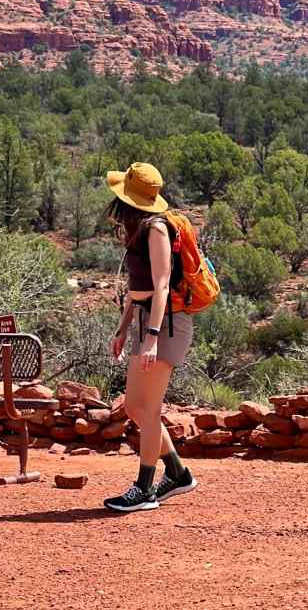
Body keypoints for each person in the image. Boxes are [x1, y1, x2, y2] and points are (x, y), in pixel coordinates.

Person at [102, 162, 197, 513]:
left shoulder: (156, 228)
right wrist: (124, 328)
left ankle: (144, 489)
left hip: (168, 324)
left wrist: (152, 337)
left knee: (151, 408)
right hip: (147, 321)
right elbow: (136, 289)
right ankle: (177, 472)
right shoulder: (137, 227)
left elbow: (160, 286)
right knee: (134, 406)